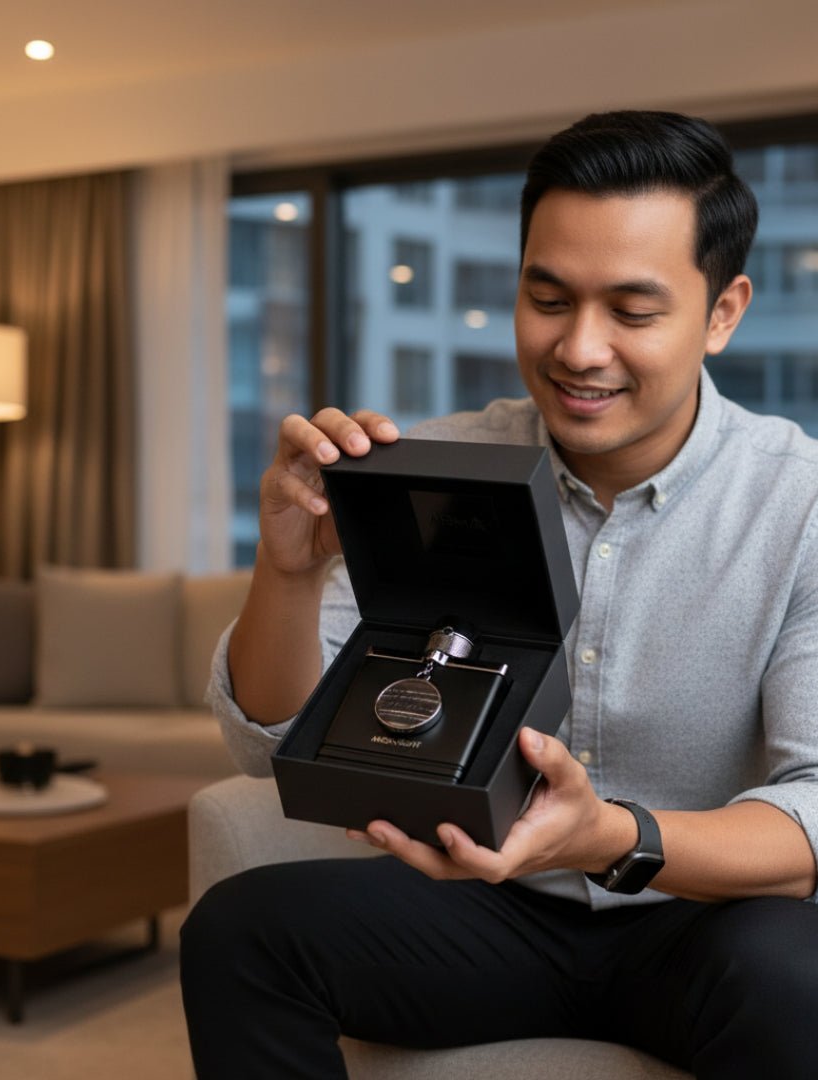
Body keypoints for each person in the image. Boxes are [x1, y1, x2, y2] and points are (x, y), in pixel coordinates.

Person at [180, 111, 818, 1080]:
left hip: (706, 922)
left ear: (722, 313)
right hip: (492, 910)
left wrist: (611, 833)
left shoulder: (800, 500)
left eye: (633, 312)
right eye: (547, 298)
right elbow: (269, 739)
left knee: (799, 982)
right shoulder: (437, 467)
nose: (580, 350)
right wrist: (289, 571)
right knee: (240, 932)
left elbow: (812, 814)